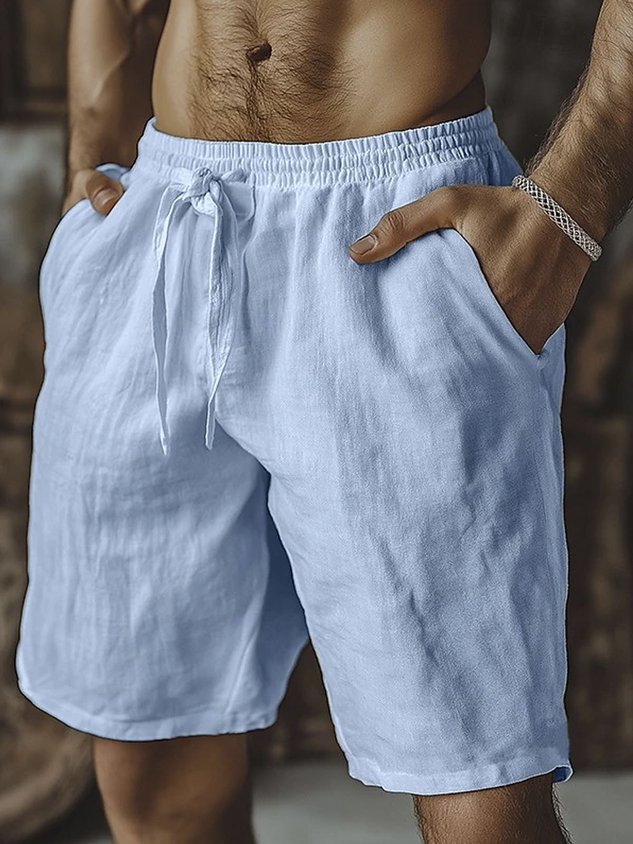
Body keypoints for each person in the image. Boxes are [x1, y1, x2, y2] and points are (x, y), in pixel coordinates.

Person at [14, 1, 633, 842]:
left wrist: (565, 215)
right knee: (151, 765)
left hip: (395, 227)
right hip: (159, 221)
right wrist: (91, 151)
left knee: (478, 792)